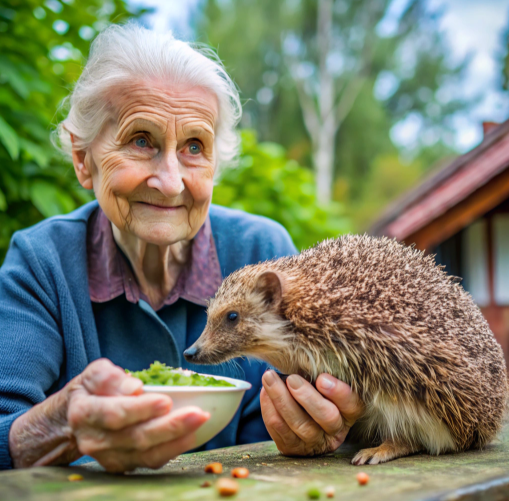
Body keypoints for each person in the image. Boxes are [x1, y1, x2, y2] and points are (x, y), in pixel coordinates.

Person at [0, 23, 362, 472]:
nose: (170, 182)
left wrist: (315, 430)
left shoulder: (262, 250)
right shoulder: (42, 262)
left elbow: (276, 442)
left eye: (194, 146)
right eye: (140, 140)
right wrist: (63, 425)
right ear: (82, 159)